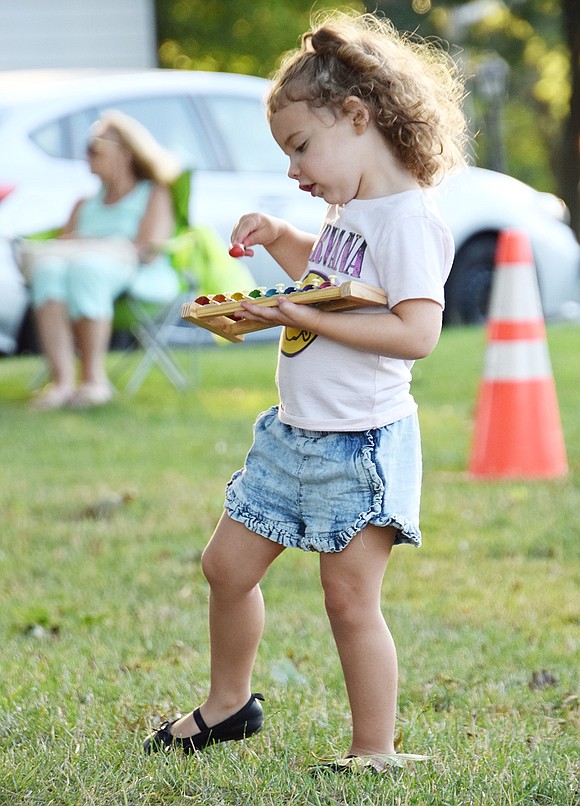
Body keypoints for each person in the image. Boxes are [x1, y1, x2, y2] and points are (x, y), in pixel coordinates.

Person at [144, 11, 467, 772]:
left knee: (349, 601)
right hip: (293, 434)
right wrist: (280, 238)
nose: (295, 169)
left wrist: (291, 311)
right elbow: (329, 284)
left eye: (300, 147)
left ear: (357, 118)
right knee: (226, 566)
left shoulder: (410, 219)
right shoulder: (346, 208)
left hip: (360, 444)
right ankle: (229, 707)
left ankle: (373, 750)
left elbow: (415, 332)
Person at [27, 110, 181, 409]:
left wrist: (93, 246)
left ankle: (94, 381)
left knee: (87, 269)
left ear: (124, 152)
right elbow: (62, 245)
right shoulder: (83, 204)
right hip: (81, 277)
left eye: (95, 147)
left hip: (135, 278)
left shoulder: (153, 194)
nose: (87, 155)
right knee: (48, 271)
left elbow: (146, 248)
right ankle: (61, 383)